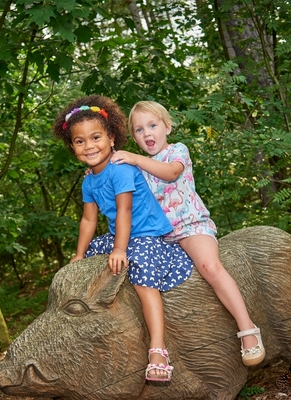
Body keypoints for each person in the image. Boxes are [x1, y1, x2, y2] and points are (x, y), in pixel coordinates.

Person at [111, 100, 265, 367]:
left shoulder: (176, 152)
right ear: (133, 137)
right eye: (138, 130)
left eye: (152, 125)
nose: (147, 133)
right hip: (161, 235)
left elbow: (171, 174)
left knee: (210, 266)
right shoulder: (138, 168)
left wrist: (135, 159)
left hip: (190, 225)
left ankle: (247, 328)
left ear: (167, 127)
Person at [52, 94, 195, 381]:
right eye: (80, 141)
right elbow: (89, 219)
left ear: (112, 137)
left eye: (95, 137)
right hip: (122, 235)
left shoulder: (120, 170)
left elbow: (124, 211)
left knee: (142, 277)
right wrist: (79, 255)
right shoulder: (89, 179)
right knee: (90, 257)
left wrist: (119, 250)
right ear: (72, 147)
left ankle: (158, 349)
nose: (89, 145)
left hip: (145, 234)